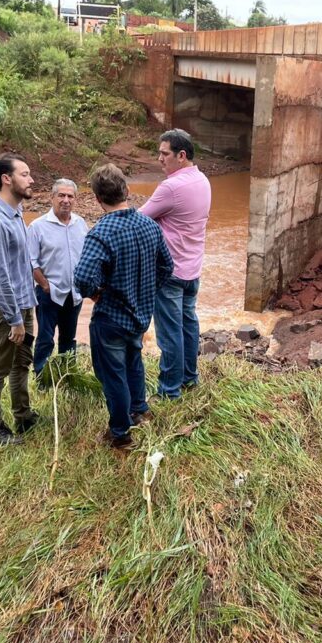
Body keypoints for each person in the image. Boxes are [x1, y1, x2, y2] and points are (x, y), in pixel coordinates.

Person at [74, 163, 174, 449]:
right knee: (134, 360)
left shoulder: (100, 233)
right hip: (140, 314)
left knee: (113, 374)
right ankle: (140, 410)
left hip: (112, 317)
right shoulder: (149, 224)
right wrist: (147, 290)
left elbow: (82, 279)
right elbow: (167, 266)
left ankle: (120, 433)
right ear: (127, 191)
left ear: (96, 199)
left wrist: (97, 293)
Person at [139, 129, 211, 400]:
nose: (159, 159)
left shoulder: (171, 187)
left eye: (164, 153)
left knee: (170, 334)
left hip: (170, 272)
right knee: (188, 324)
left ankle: (169, 390)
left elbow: (141, 218)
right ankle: (190, 379)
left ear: (181, 156)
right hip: (193, 269)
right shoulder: (202, 180)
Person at [0, 153, 39, 445]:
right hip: (6, 310)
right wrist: (15, 320)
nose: (31, 180)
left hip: (24, 302)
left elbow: (19, 264)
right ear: (7, 179)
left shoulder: (16, 210)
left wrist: (27, 309)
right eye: (25, 174)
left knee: (21, 363)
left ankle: (23, 415)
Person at [27, 178, 88, 377]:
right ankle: (41, 376)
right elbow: (31, 262)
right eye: (61, 195)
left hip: (74, 293)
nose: (66, 200)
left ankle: (67, 374)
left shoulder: (80, 224)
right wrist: (45, 286)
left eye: (70, 196)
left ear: (76, 199)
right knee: (45, 338)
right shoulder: (38, 226)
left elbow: (86, 257)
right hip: (49, 294)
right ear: (51, 198)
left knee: (69, 338)